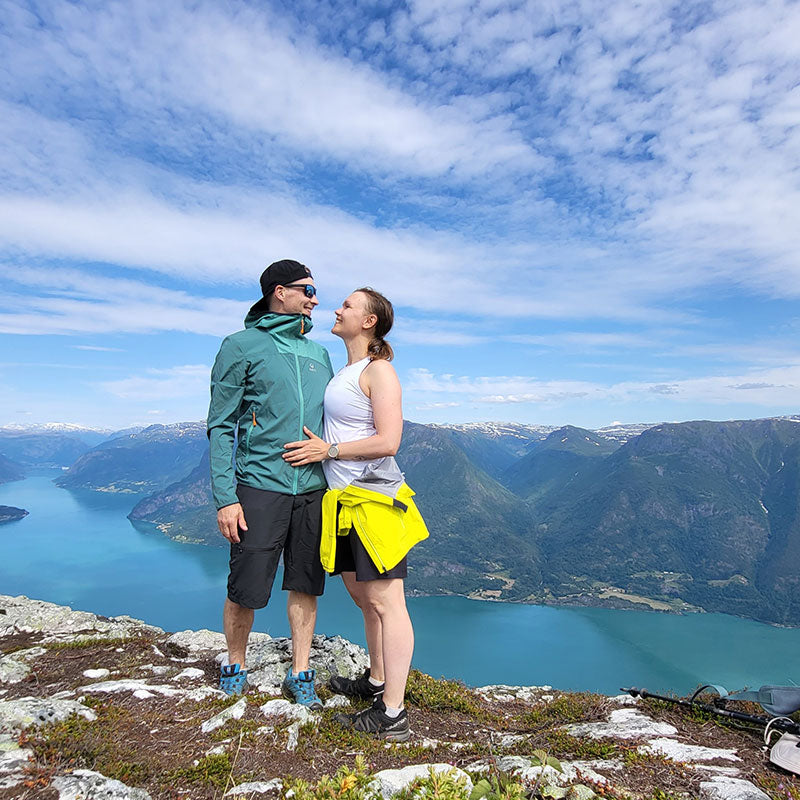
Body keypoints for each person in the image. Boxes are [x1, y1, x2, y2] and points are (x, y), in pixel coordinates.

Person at [282, 287, 428, 741]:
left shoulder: (379, 371)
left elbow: (389, 441)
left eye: (347, 305)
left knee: (388, 602)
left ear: (369, 322)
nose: (337, 309)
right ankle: (378, 681)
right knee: (365, 599)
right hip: (344, 502)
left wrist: (330, 449)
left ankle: (393, 715)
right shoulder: (345, 371)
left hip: (375, 503)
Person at [207, 259, 333, 706]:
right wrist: (226, 497)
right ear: (280, 292)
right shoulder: (240, 346)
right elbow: (221, 426)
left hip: (313, 490)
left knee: (305, 583)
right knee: (246, 586)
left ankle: (300, 674)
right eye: (308, 290)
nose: (315, 299)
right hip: (260, 485)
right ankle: (234, 664)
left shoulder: (319, 354)